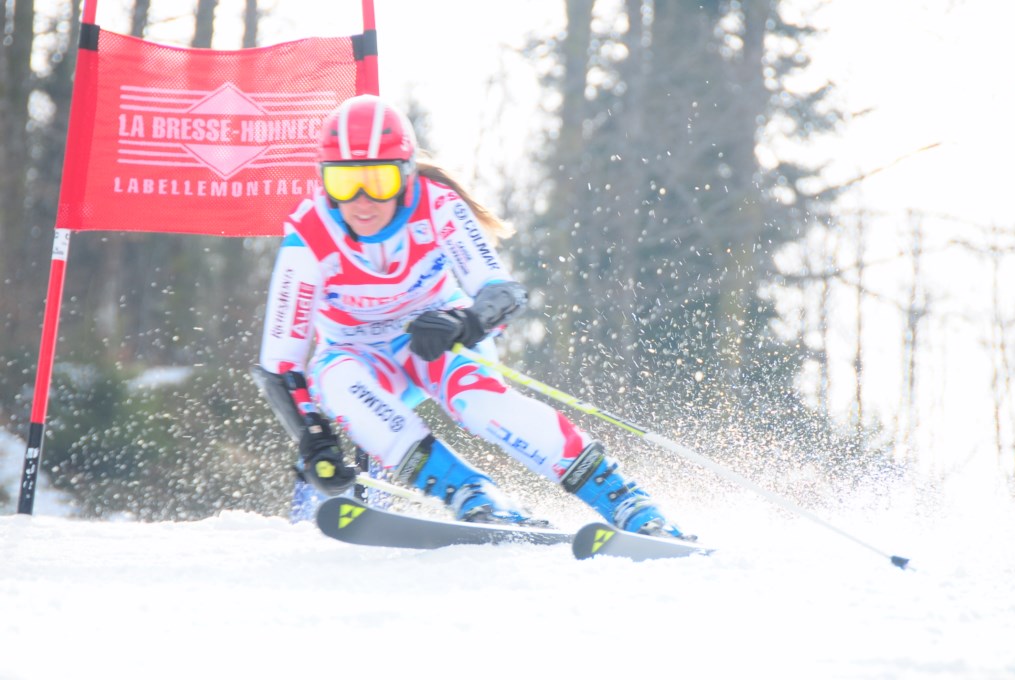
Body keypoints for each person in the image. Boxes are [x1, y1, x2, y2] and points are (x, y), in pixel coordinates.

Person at [253, 93, 694, 539]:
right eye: (344, 183)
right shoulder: (309, 236)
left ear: (405, 175)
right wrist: (314, 438)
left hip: (436, 339)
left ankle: (623, 499)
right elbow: (280, 366)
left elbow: (501, 291)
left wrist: (463, 323)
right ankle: (472, 493)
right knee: (336, 381)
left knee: (481, 406)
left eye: (379, 181)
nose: (362, 201)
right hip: (358, 355)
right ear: (324, 180)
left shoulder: (436, 205)